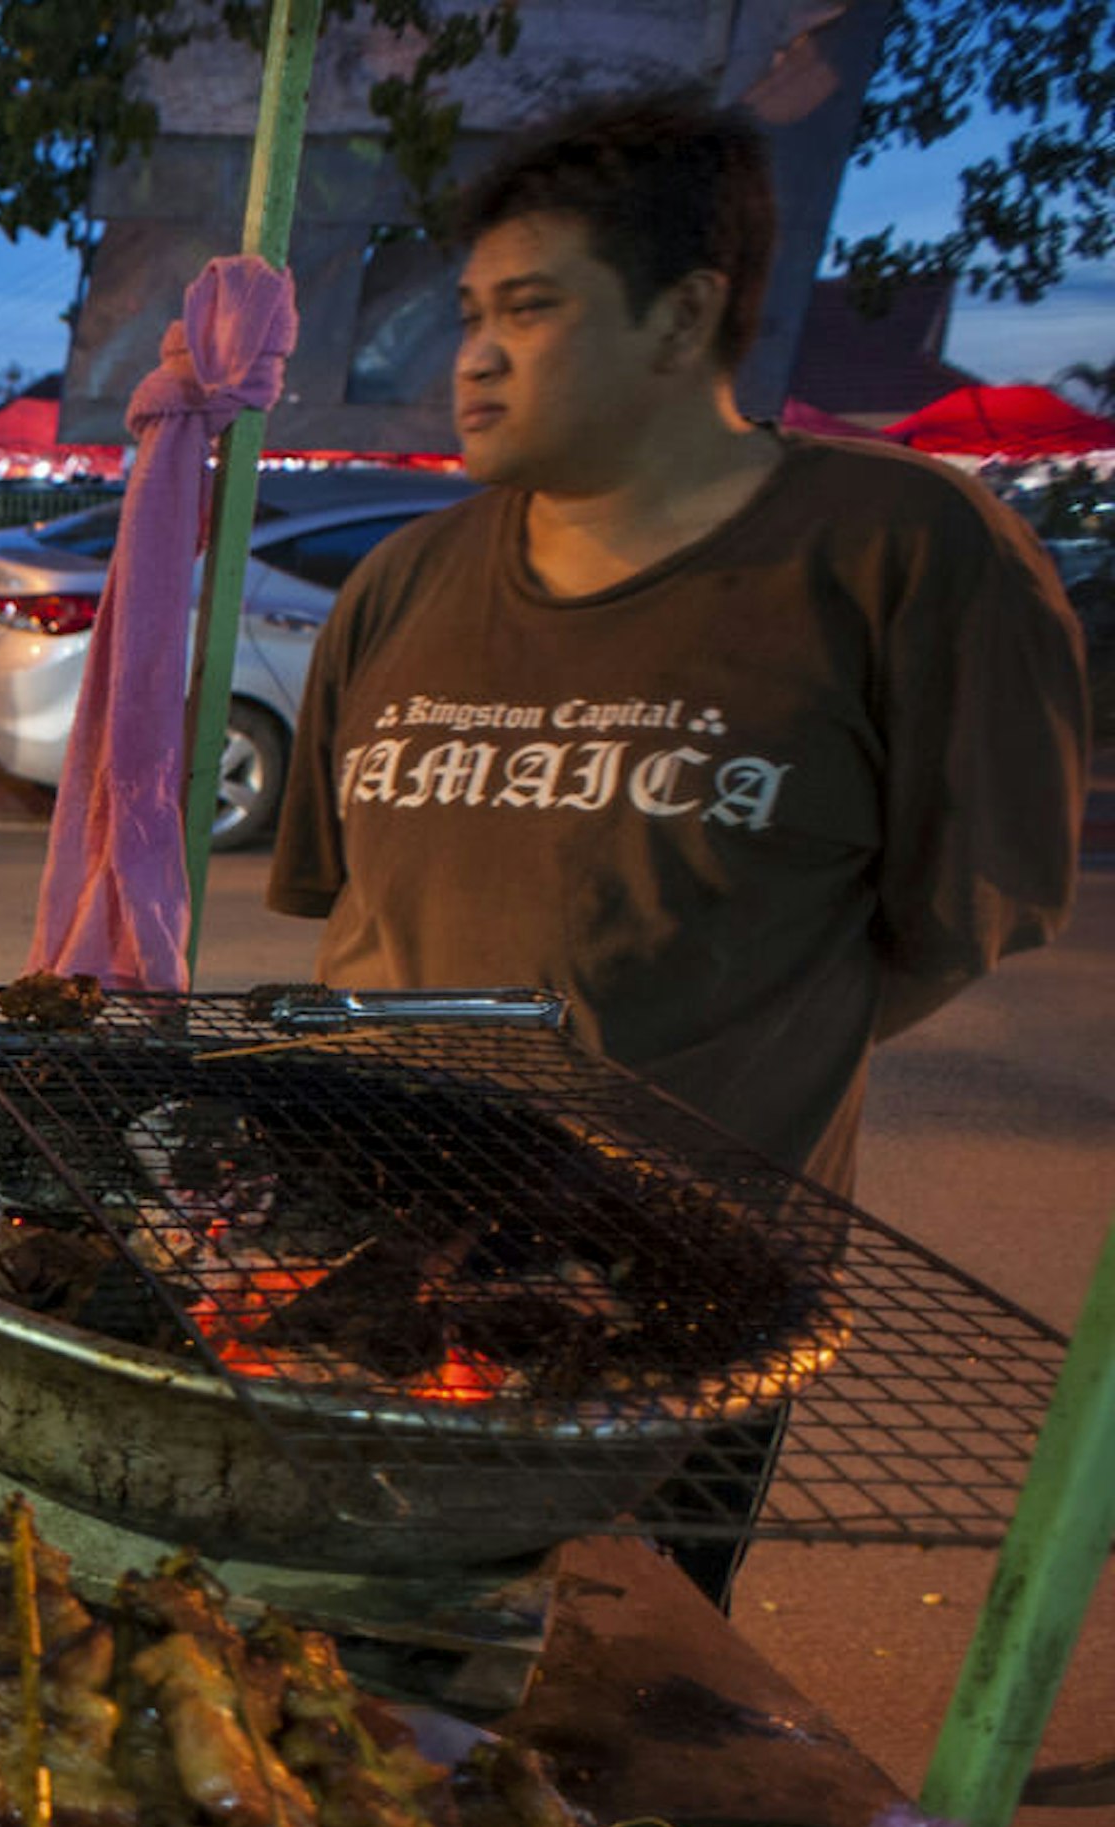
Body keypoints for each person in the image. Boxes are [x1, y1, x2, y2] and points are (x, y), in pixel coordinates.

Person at [266, 89, 1086, 1194]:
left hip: (679, 1269)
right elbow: (351, 911)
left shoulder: (906, 552)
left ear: (683, 315)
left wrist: (714, 1084)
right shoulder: (404, 579)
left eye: (530, 309)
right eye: (471, 316)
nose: (473, 360)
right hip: (374, 1222)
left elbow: (956, 927)